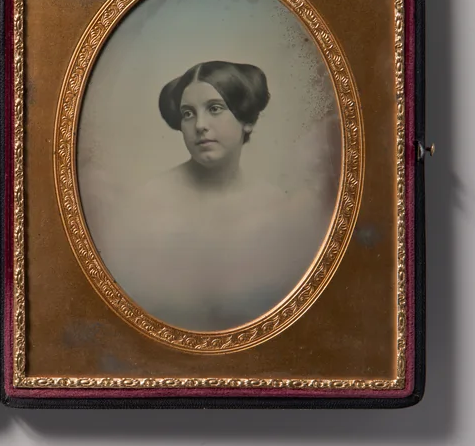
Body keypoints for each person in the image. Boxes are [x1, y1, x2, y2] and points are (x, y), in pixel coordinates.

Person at [99, 61, 333, 332]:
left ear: (247, 120)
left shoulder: (275, 205)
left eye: (214, 109)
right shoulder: (148, 202)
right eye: (188, 114)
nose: (200, 125)